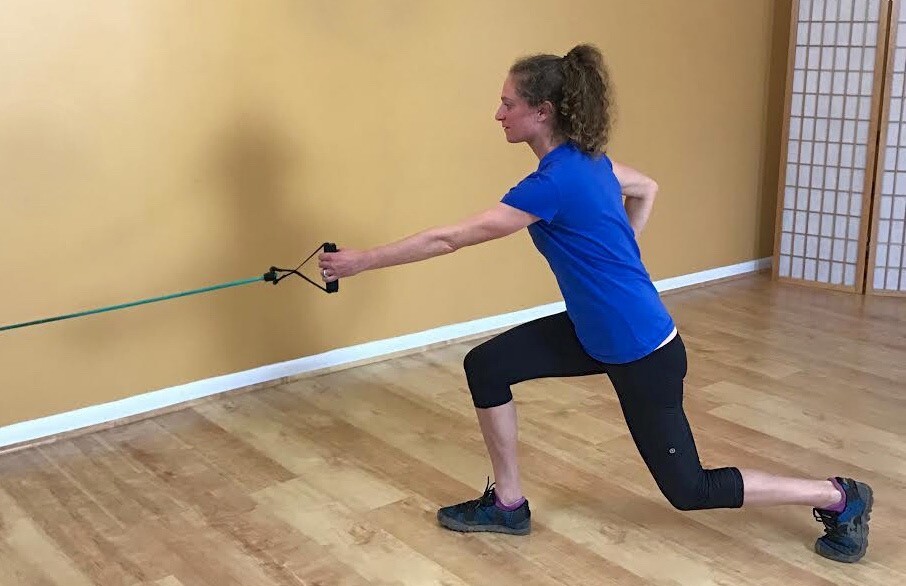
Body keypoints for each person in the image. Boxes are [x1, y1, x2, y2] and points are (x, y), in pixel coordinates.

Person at [317, 44, 873, 563]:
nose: (498, 114)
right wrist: (624, 254)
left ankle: (838, 495)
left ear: (542, 112)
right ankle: (508, 505)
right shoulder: (590, 163)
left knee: (690, 489)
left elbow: (450, 239)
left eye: (508, 104)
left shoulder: (552, 184)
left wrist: (361, 261)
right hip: (594, 331)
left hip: (641, 349)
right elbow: (647, 186)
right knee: (486, 366)